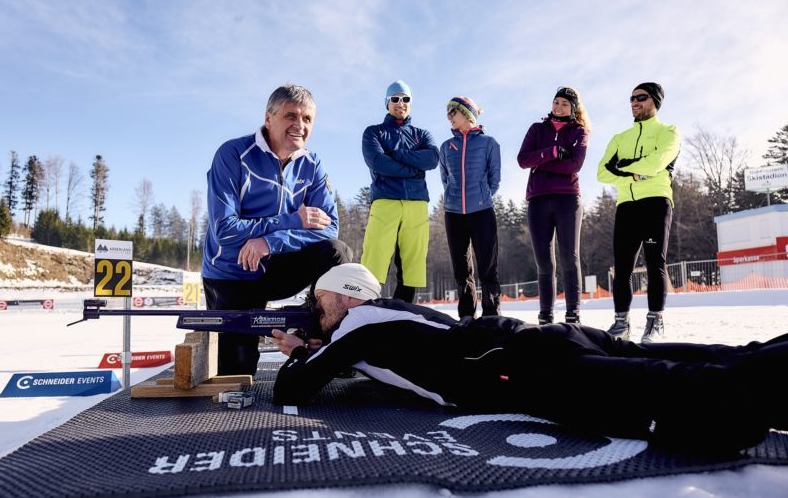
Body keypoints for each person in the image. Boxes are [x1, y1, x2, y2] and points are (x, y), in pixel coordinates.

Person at [272, 263, 788, 455]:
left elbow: (292, 389)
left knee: (703, 400)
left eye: (319, 304)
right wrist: (321, 349)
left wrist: (297, 354)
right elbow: (367, 360)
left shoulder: (360, 323)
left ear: (345, 297)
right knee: (721, 360)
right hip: (536, 342)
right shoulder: (383, 321)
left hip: (522, 364)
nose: (316, 314)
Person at [201, 84, 352, 377]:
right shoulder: (233, 154)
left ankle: (333, 344)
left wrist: (271, 241)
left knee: (337, 251)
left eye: (307, 119)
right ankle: (236, 362)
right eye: (291, 116)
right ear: (269, 118)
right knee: (236, 372)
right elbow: (225, 230)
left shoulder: (312, 165)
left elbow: (330, 226)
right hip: (232, 272)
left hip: (277, 265)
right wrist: (292, 220)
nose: (300, 125)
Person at [597, 82, 680, 343]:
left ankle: (656, 321)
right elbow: (601, 173)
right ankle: (621, 322)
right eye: (631, 98)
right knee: (622, 268)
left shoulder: (669, 131)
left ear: (654, 101)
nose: (634, 102)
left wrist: (624, 169)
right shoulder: (620, 138)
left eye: (641, 98)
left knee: (656, 264)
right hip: (626, 206)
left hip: (656, 201)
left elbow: (657, 162)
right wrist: (635, 174)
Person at [360, 80, 440, 303]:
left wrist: (395, 153)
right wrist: (414, 168)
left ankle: (404, 311)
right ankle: (366, 307)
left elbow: (432, 158)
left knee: (412, 262)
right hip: (385, 201)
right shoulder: (373, 133)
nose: (400, 103)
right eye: (395, 99)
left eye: (405, 99)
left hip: (416, 204)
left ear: (410, 103)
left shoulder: (422, 134)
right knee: (374, 258)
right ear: (387, 103)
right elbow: (378, 162)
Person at [518, 87, 590, 325]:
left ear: (573, 108)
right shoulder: (537, 129)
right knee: (544, 261)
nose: (559, 107)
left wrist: (540, 162)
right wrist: (552, 152)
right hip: (538, 199)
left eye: (564, 104)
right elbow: (522, 160)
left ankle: (573, 314)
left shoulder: (579, 131)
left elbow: (574, 165)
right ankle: (545, 315)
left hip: (567, 199)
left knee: (570, 257)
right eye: (556, 102)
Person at [439, 96, 501, 318]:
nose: (449, 118)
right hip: (454, 214)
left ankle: (491, 314)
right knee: (461, 269)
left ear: (467, 114)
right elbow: (445, 178)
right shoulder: (446, 146)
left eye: (452, 112)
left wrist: (481, 197)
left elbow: (495, 179)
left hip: (482, 211)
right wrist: (454, 199)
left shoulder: (489, 143)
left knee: (487, 267)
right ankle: (466, 315)